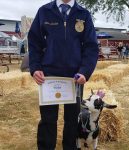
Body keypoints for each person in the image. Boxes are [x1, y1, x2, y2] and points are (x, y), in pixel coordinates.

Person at [28, 0, 99, 150]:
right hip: (48, 76)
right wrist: (35, 68)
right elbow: (34, 43)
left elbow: (91, 47)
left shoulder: (84, 14)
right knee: (48, 119)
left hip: (75, 77)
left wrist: (85, 71)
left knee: (73, 119)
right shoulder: (44, 11)